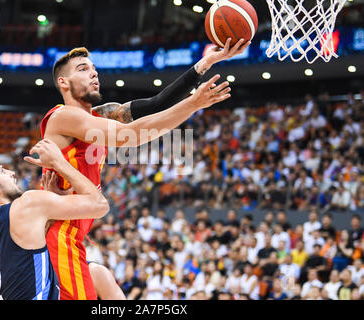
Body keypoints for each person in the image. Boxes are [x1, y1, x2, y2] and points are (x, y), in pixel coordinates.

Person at [41, 39, 248, 300]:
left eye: (94, 68)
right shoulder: (63, 116)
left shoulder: (99, 116)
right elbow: (132, 135)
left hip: (71, 235)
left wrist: (206, 63)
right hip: (59, 236)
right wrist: (194, 103)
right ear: (64, 82)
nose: (93, 72)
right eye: (83, 69)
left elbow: (156, 103)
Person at [0, 139, 110, 300]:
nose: (11, 172)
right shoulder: (26, 205)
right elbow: (100, 205)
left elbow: (25, 256)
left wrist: (49, 205)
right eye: (2, 172)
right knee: (100, 276)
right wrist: (59, 162)